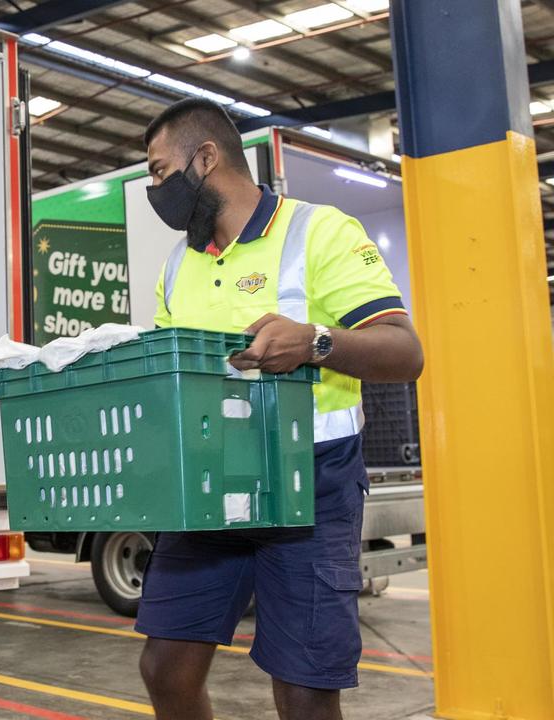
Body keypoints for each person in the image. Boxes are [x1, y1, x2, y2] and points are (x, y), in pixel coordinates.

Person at [134, 99, 423, 720]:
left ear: (204, 158)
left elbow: (405, 352)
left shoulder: (319, 230)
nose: (155, 189)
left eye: (159, 171)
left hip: (310, 483)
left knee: (304, 687)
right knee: (165, 667)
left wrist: (317, 342)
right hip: (211, 486)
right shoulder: (180, 263)